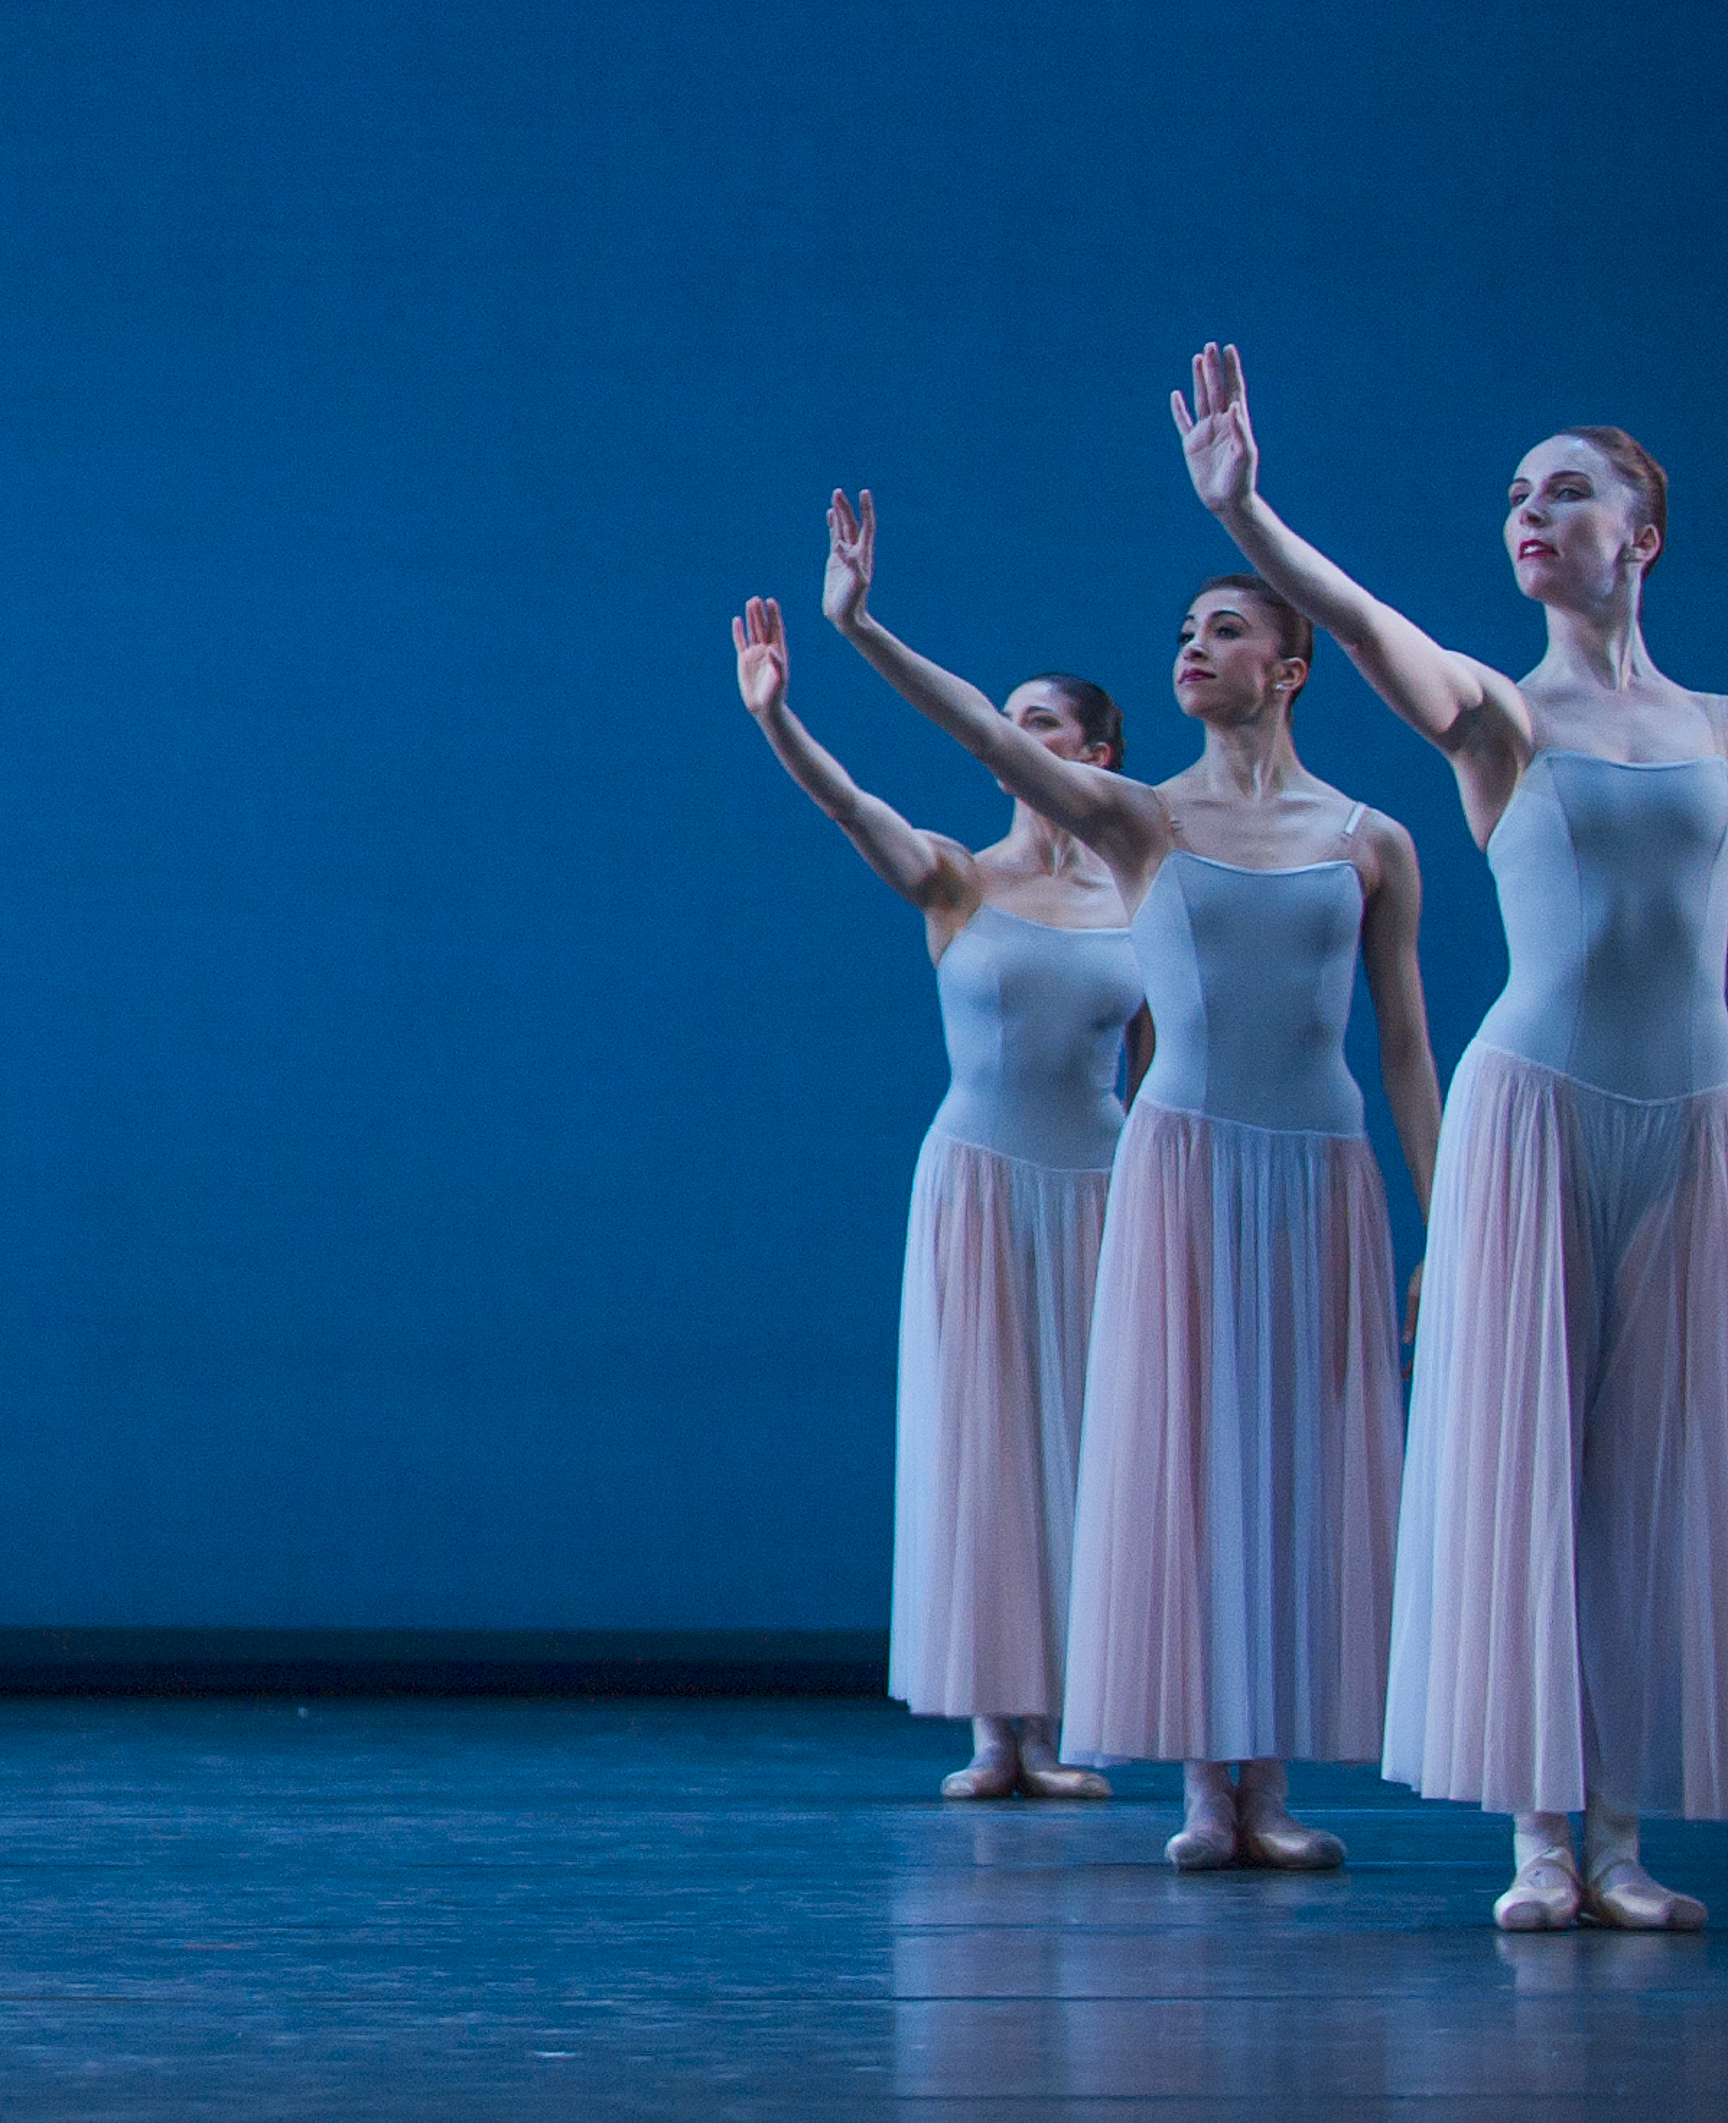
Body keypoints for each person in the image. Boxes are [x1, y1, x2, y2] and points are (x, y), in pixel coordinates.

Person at [1178, 348, 1721, 1931]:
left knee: (1659, 1477)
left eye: (1568, 490)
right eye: (1515, 498)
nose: (1531, 514)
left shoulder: (1721, 730)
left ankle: (1621, 1838)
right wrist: (1249, 512)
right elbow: (1357, 625)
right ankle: (1541, 1840)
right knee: (1535, 1464)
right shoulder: (1498, 712)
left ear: (1645, 534)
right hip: (1536, 1111)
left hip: (1694, 1120)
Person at [834, 488, 1436, 1875]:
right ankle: (1197, 1790)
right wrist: (864, 628)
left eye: (1225, 630)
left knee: (1296, 1466)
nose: (1194, 644)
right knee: (1186, 1460)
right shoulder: (1137, 822)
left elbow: (1405, 1048)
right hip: (1182, 1167)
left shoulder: (1370, 841)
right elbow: (984, 732)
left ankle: (1264, 1789)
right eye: (1183, 628)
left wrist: (1443, 1217)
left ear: (1286, 670)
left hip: (1326, 1172)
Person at [727, 587, 1141, 1797]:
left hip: (1104, 1183)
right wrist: (777, 718)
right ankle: (992, 1729)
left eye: (1042, 723)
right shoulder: (960, 878)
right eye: (1004, 719)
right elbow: (855, 807)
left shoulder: (1138, 892)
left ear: (1094, 753)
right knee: (988, 1445)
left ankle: (1061, 1723)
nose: (1015, 735)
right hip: (978, 1184)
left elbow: (1168, 1065)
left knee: (1086, 1444)